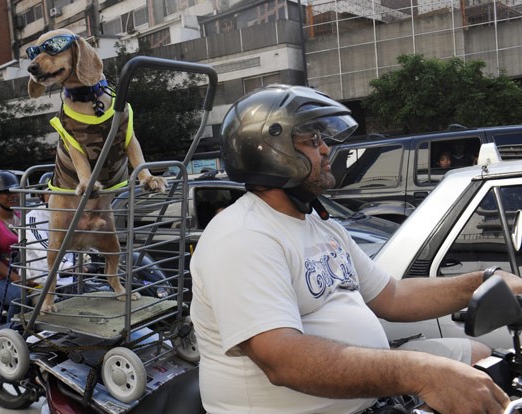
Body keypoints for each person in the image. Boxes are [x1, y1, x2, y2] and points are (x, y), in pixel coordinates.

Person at [190, 84, 522, 414]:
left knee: (482, 358)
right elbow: (283, 360)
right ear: (271, 151)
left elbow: (393, 296)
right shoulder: (243, 236)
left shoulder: (320, 225)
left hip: (370, 401)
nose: (325, 151)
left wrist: (484, 282)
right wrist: (421, 372)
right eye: (312, 140)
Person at [0, 170, 31, 322]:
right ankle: (11, 334)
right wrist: (19, 280)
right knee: (20, 297)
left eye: (14, 191)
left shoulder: (22, 217)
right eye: (6, 192)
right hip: (0, 280)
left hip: (27, 273)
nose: (13, 195)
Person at [24, 172, 80, 288]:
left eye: (60, 192)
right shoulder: (33, 218)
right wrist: (68, 266)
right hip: (43, 281)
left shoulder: (69, 215)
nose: (56, 196)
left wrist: (85, 260)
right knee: (43, 304)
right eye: (51, 192)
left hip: (72, 278)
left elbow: (78, 244)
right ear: (41, 195)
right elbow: (41, 246)